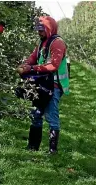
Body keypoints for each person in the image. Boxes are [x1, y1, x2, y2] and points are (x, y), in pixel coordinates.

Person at [17, 16, 70, 154]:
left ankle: (53, 151)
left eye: (41, 30)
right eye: (38, 30)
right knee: (36, 114)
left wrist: (32, 69)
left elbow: (53, 65)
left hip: (54, 85)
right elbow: (33, 57)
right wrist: (26, 64)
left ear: (49, 28)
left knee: (51, 115)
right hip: (42, 83)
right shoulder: (42, 42)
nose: (39, 33)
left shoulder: (57, 43)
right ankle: (33, 147)